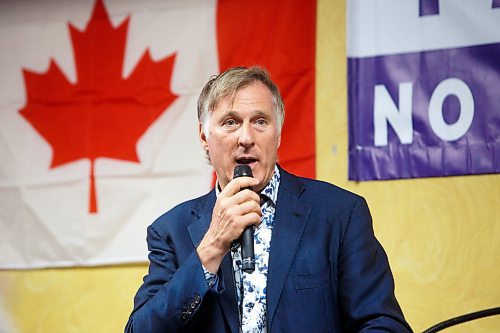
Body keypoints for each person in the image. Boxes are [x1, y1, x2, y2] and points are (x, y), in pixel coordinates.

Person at [125, 66, 412, 333]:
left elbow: (382, 323)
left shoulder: (340, 214)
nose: (246, 137)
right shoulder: (170, 232)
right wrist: (211, 247)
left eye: (260, 121)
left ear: (278, 134)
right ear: (204, 136)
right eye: (230, 122)